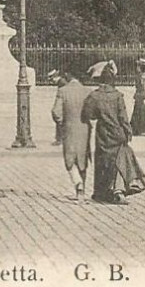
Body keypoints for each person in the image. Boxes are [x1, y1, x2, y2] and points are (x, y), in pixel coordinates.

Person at [81, 63, 145, 205]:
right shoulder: (117, 96)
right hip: (118, 132)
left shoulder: (94, 96)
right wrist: (128, 131)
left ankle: (102, 192)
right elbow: (123, 117)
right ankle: (118, 189)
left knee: (103, 161)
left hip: (104, 133)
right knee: (119, 159)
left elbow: (89, 115)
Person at [51, 66, 90, 202]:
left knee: (70, 159)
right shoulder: (86, 91)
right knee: (82, 158)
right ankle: (82, 192)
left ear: (68, 75)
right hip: (84, 128)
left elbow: (56, 112)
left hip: (69, 128)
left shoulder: (63, 91)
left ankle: (77, 184)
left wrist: (62, 122)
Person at [47, 68, 64, 144]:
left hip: (62, 104)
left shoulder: (62, 82)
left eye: (51, 78)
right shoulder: (61, 82)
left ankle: (59, 139)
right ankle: (59, 138)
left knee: (59, 120)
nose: (51, 81)